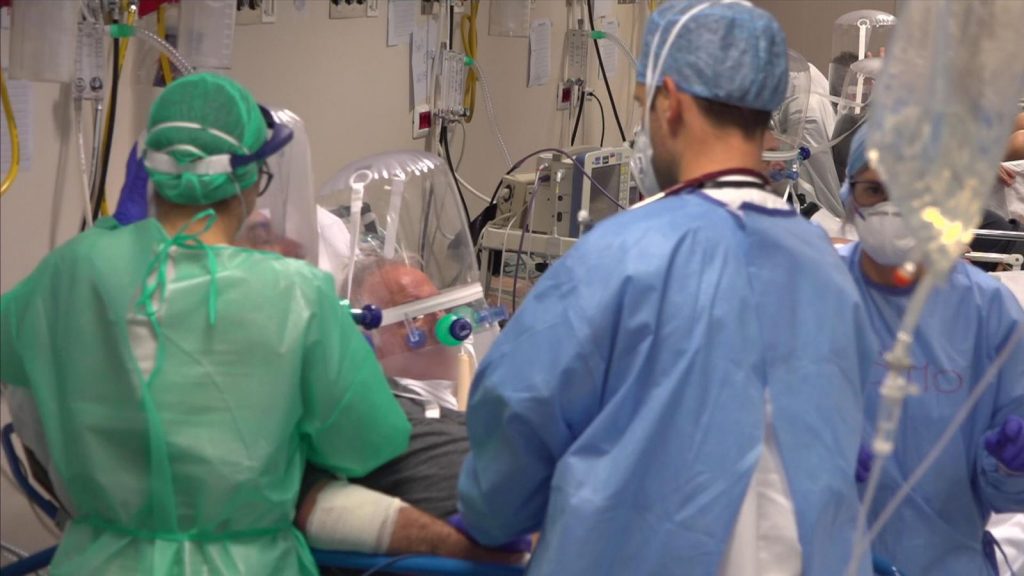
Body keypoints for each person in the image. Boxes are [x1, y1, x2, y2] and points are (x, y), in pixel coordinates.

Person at [456, 2, 877, 575]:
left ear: (669, 102)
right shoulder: (827, 271)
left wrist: (490, 519)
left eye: (642, 105)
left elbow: (515, 423)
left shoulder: (620, 257)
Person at [0, 73, 411, 575]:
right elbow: (368, 443)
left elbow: (29, 414)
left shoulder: (66, 274)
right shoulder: (296, 294)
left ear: (148, 170)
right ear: (250, 180)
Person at [838, 127, 1024, 575]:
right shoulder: (814, 290)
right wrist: (808, 455)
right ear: (848, 194)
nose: (889, 207)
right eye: (873, 189)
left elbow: (1006, 496)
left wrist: (1011, 468)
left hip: (945, 559)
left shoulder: (987, 312)